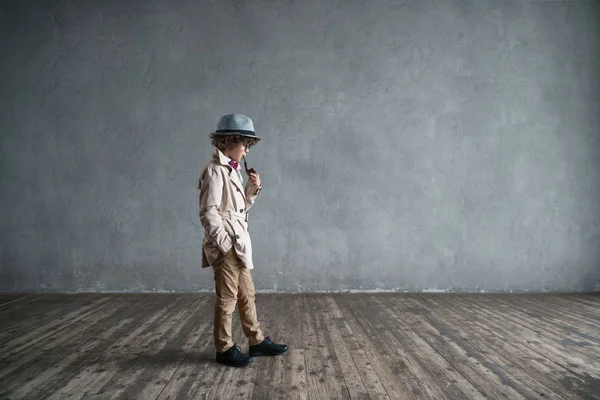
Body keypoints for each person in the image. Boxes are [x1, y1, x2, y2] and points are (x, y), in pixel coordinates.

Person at [197, 113, 288, 367]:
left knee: (247, 294)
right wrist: (224, 244)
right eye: (244, 145)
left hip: (238, 246)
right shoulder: (215, 172)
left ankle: (256, 341)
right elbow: (208, 213)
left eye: (248, 146)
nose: (246, 151)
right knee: (227, 299)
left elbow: (237, 211)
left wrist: (251, 191)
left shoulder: (232, 171)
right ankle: (224, 348)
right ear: (229, 140)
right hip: (226, 247)